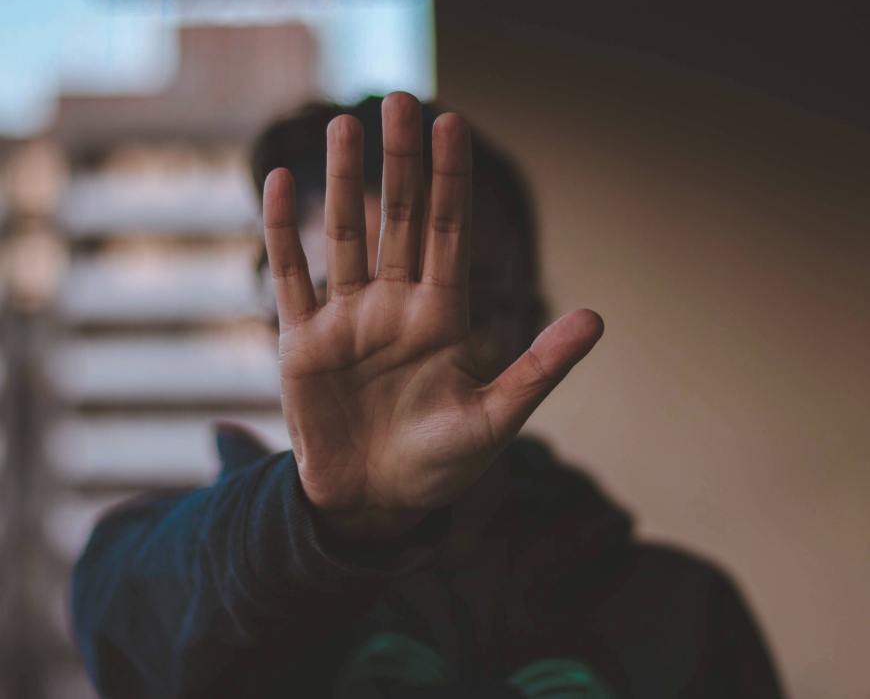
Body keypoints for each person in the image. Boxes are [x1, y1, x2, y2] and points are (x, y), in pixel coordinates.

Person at [72, 93, 784, 698]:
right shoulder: (194, 578)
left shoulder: (680, 614)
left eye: (464, 302)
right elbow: (126, 629)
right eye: (342, 302)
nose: (402, 348)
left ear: (531, 322)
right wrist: (330, 521)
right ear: (274, 331)